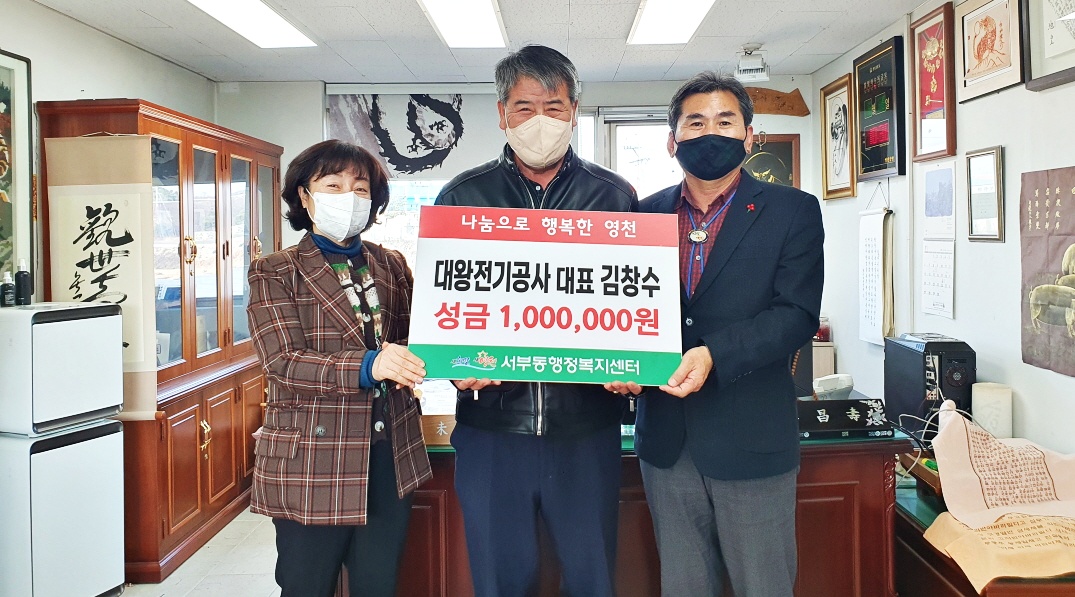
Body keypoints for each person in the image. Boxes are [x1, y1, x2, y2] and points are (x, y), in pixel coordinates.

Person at [606, 72, 824, 596]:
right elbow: (624, 308)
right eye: (695, 123)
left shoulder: (791, 210)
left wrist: (713, 354)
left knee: (764, 586)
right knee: (683, 586)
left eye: (725, 122)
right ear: (672, 140)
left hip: (752, 440)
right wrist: (622, 364)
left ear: (749, 136)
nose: (710, 133)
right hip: (666, 442)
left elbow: (796, 314)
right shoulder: (643, 213)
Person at [434, 44, 638, 597]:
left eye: (554, 107)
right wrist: (455, 365)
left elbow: (637, 304)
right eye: (525, 108)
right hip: (493, 431)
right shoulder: (461, 197)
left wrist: (635, 366)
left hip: (587, 430)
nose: (540, 121)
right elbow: (442, 311)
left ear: (574, 112)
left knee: (593, 579)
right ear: (502, 114)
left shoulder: (615, 198)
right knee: (500, 581)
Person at [246, 140, 431, 597]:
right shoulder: (275, 271)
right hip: (314, 457)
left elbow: (421, 339)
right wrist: (371, 365)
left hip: (390, 455)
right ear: (304, 196)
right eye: (333, 185)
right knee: (306, 585)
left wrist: (470, 356)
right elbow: (283, 362)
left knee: (378, 584)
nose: (349, 197)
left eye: (361, 188)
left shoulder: (391, 265)